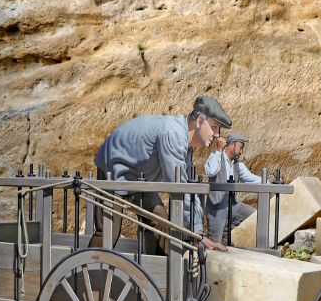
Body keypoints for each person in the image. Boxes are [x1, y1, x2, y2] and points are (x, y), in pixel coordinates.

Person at [91, 95, 231, 253]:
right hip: (114, 167)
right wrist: (198, 235)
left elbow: (185, 186)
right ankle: (90, 269)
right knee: (109, 230)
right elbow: (178, 188)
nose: (218, 134)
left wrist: (197, 231)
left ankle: (157, 271)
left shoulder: (184, 143)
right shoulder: (173, 134)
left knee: (159, 221)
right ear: (199, 121)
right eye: (214, 127)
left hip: (138, 177)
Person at [204, 132, 261, 243]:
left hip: (233, 204)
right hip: (217, 206)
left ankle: (226, 233)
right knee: (214, 241)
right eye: (240, 148)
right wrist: (219, 150)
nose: (241, 152)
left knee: (253, 215)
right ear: (231, 145)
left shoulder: (237, 165)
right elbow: (211, 171)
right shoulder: (215, 157)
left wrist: (271, 183)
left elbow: (251, 178)